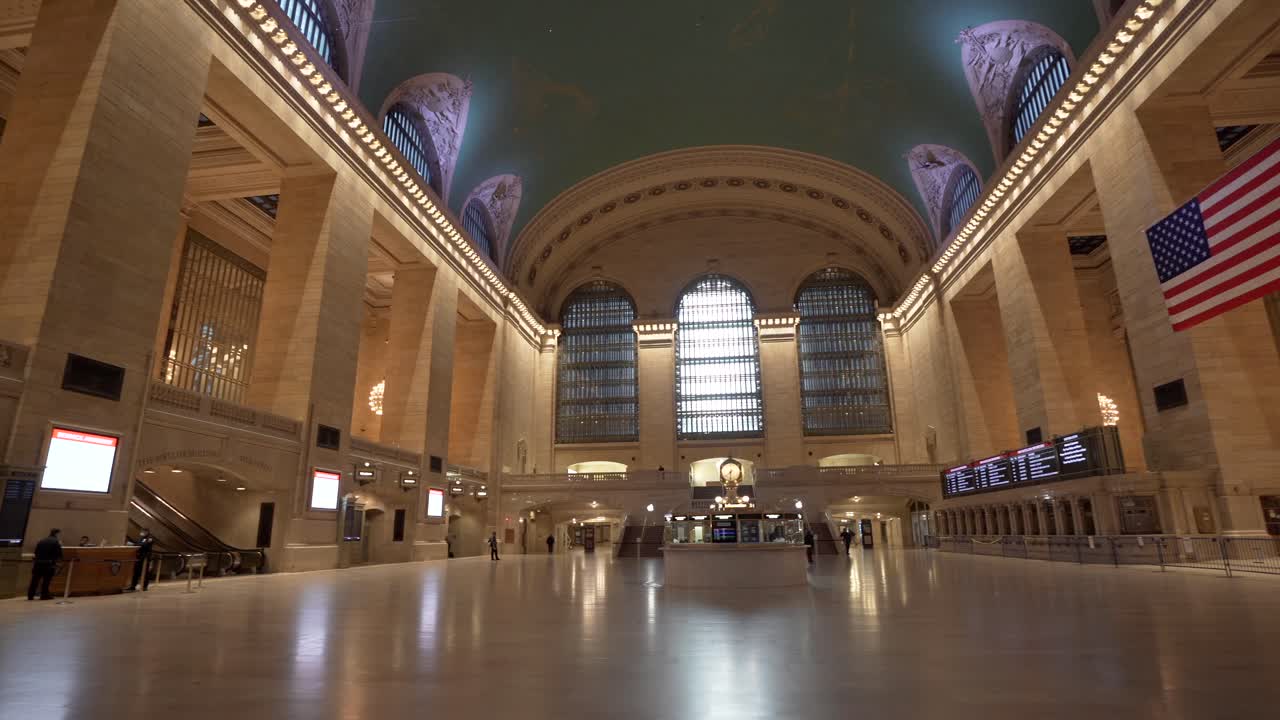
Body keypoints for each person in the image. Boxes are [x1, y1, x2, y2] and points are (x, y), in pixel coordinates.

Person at [28, 529, 63, 601]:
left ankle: (30, 595)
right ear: (57, 534)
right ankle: (44, 595)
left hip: (38, 564)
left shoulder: (41, 541)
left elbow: (36, 552)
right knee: (46, 581)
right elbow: (58, 554)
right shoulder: (56, 542)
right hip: (48, 565)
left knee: (35, 580)